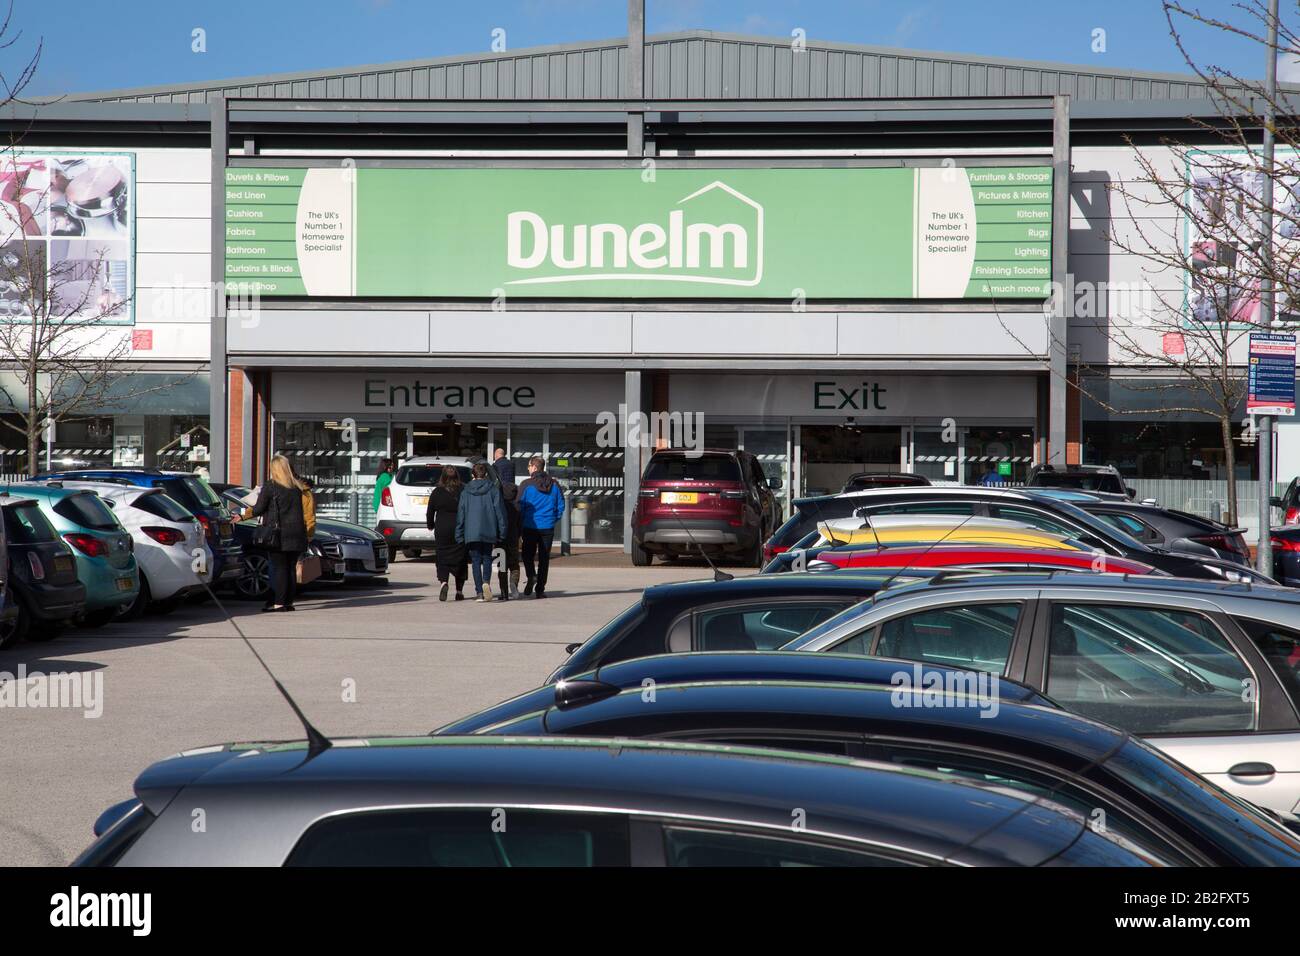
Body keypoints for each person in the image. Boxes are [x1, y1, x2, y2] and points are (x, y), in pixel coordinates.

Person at [249, 454, 309, 612]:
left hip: (278, 533)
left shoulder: (271, 486)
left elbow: (258, 509)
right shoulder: (296, 487)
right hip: (297, 533)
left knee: (279, 568)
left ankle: (279, 603)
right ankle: (288, 602)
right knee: (290, 568)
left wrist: (248, 508)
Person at [456, 461, 506, 602]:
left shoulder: (466, 492)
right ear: (485, 474)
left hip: (471, 531)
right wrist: (502, 532)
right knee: (487, 559)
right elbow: (499, 513)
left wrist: (459, 533)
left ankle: (479, 592)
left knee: (476, 561)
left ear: (473, 474)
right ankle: (486, 583)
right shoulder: (493, 490)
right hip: (489, 530)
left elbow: (461, 514)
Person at [517, 455, 565, 599]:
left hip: (530, 526)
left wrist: (522, 522)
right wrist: (552, 519)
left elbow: (519, 506)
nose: (528, 468)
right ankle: (540, 589)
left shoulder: (526, 484)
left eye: (529, 466)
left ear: (534, 467)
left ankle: (531, 575)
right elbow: (561, 506)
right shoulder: (555, 484)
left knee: (527, 555)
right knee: (544, 558)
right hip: (547, 527)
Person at [426, 465, 468, 601]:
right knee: (460, 558)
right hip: (459, 527)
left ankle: (444, 581)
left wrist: (430, 525)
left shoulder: (437, 491)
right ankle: (459, 590)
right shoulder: (463, 490)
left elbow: (430, 511)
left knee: (442, 556)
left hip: (442, 528)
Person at [496, 477, 522, 600]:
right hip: (513, 538)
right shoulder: (518, 507)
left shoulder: (499, 506)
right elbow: (520, 524)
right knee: (514, 565)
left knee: (502, 566)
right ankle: (514, 583)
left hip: (500, 539)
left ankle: (503, 592)